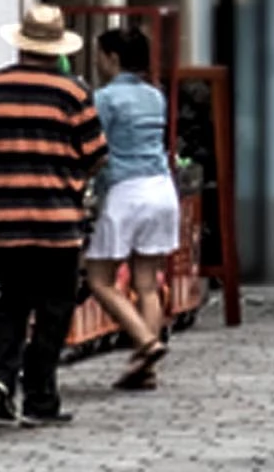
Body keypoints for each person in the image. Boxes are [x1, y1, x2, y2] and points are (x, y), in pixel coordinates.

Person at [0, 5, 105, 427]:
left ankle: (2, 381)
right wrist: (71, 178)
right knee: (55, 308)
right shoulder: (73, 93)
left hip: (6, 223)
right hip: (58, 224)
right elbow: (97, 155)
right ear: (57, 47)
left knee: (11, 304)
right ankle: (40, 395)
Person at [86, 23, 184, 391]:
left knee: (100, 280)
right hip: (161, 187)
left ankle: (145, 341)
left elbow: (96, 149)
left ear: (112, 58)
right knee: (146, 282)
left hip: (125, 190)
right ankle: (146, 369)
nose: (97, 62)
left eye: (99, 54)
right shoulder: (154, 95)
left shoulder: (105, 98)